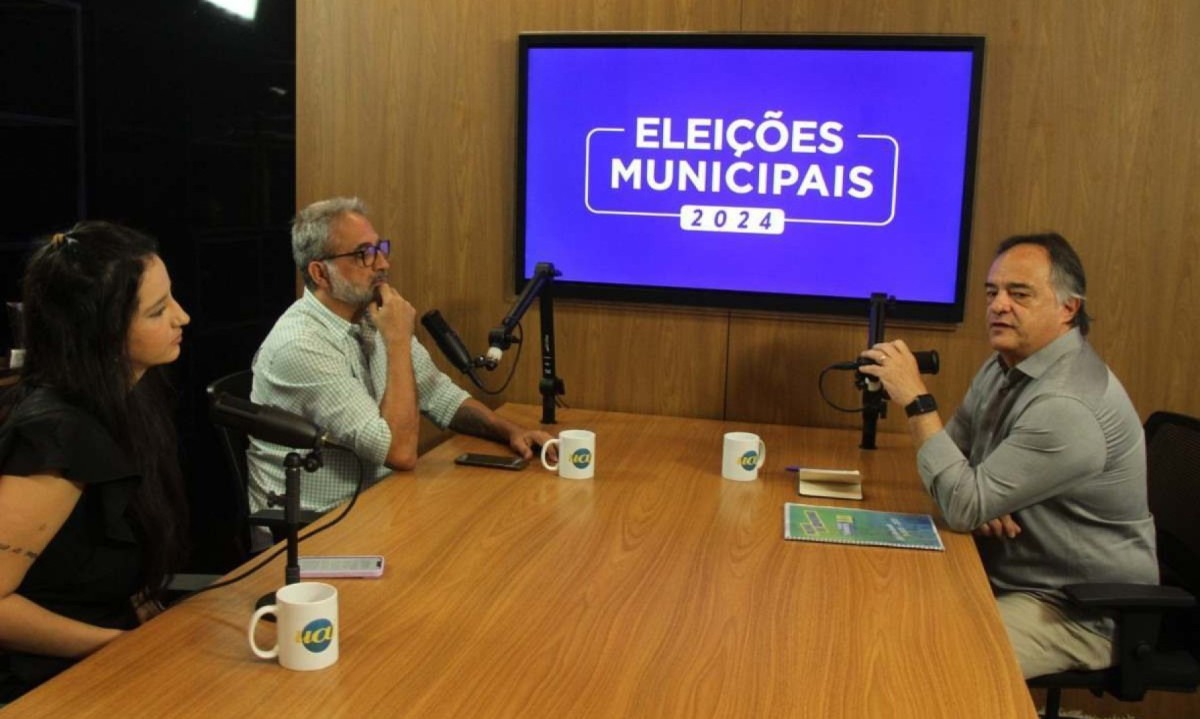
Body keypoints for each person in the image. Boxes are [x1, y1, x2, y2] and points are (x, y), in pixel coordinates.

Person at [857, 232, 1157, 679]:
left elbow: (959, 497)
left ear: (1068, 308)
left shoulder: (1067, 404)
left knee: (920, 656)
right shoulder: (1006, 366)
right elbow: (955, 467)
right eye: (992, 292)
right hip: (1007, 572)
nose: (999, 305)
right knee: (876, 609)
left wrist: (917, 400)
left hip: (1075, 609)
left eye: (1019, 294)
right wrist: (979, 498)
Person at [247, 197, 553, 517]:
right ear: (320, 273)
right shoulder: (301, 346)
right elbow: (399, 452)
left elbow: (441, 395)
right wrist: (396, 341)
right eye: (364, 254)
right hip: (318, 530)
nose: (382, 264)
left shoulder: (369, 316)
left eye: (381, 248)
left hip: (379, 504)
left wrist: (510, 431)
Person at [0, 222, 191, 702]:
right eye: (158, 310)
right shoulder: (54, 436)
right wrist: (120, 647)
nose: (182, 317)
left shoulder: (132, 401)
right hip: (47, 684)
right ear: (101, 332)